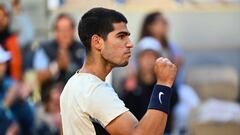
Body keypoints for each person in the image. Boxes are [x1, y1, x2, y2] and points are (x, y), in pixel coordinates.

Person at [60, 7, 177, 135]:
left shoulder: (73, 83)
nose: (129, 44)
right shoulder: (93, 90)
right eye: (121, 36)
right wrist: (163, 84)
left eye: (128, 36)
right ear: (97, 42)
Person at [33, 13, 85, 102]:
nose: (65, 34)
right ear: (55, 32)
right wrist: (57, 65)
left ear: (73, 31)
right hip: (49, 102)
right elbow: (39, 77)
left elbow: (90, 75)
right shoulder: (44, 48)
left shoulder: (83, 49)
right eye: (61, 30)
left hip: (76, 100)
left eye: (67, 30)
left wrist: (71, 67)